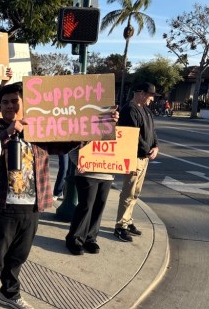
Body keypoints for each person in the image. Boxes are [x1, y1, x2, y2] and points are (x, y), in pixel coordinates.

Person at [0, 83, 85, 309]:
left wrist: (97, 125)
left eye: (15, 101)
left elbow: (64, 144)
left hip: (32, 205)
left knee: (18, 257)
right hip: (3, 207)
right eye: (5, 102)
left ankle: (9, 294)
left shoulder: (38, 130)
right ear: (0, 106)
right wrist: (9, 132)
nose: (10, 106)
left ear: (24, 104)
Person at [114, 82, 160, 242]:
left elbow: (152, 131)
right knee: (128, 192)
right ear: (140, 93)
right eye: (150, 95)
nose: (152, 99)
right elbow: (132, 136)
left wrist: (156, 146)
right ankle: (120, 226)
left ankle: (128, 220)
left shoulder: (146, 111)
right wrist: (148, 149)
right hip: (133, 157)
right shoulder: (129, 110)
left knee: (136, 192)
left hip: (144, 157)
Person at [65, 148, 114, 255]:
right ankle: (74, 239)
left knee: (99, 207)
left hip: (107, 174)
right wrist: (79, 162)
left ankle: (90, 239)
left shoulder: (118, 131)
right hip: (86, 174)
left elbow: (123, 148)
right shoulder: (86, 130)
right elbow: (72, 148)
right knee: (86, 206)